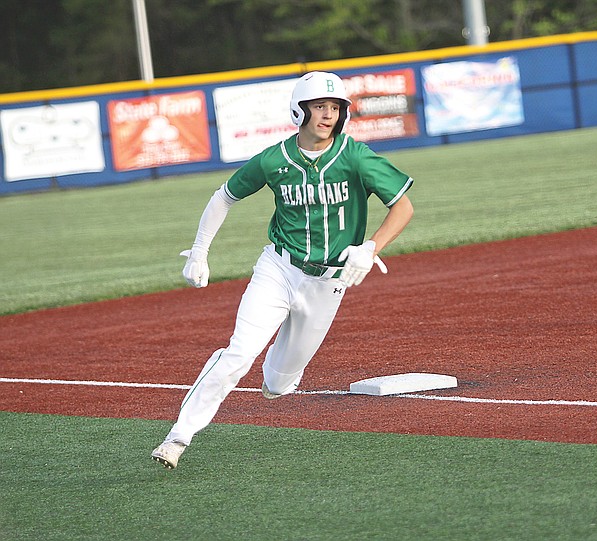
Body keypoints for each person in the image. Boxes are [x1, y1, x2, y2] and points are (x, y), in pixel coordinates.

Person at [151, 71, 414, 469]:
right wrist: (199, 252)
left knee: (276, 385)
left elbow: (404, 206)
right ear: (299, 110)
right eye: (319, 107)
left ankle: (277, 373)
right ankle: (178, 437)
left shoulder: (355, 156)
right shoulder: (275, 159)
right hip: (277, 268)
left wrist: (372, 246)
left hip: (328, 283)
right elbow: (223, 197)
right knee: (238, 353)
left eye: (335, 108)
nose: (327, 115)